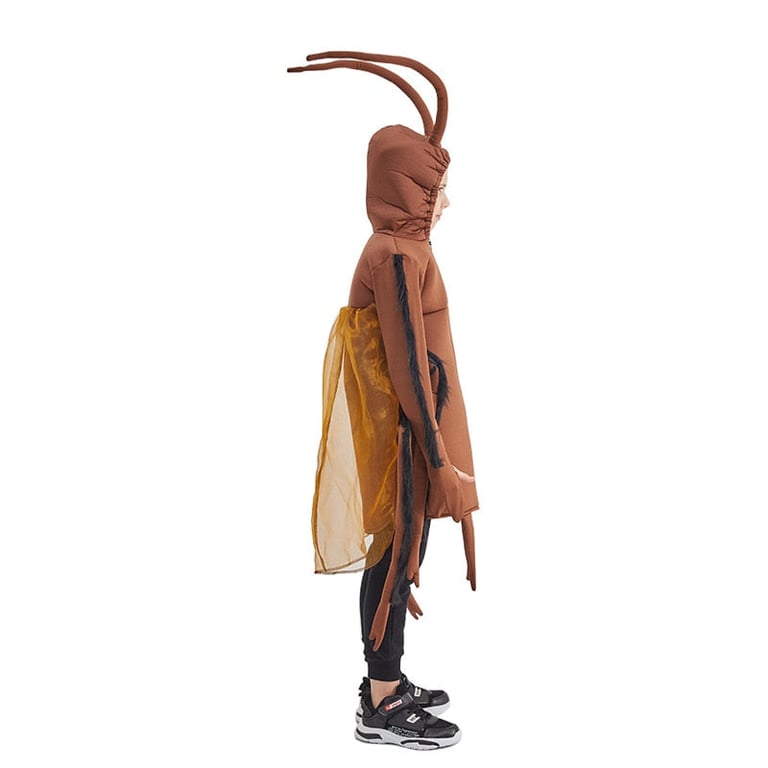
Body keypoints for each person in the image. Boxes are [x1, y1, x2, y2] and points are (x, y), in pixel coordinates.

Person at [288, 51, 480, 751]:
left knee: (402, 549)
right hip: (405, 435)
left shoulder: (405, 247)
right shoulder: (396, 254)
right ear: (410, 188)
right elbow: (404, 364)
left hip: (412, 430)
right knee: (396, 555)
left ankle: (387, 682)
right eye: (436, 188)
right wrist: (438, 460)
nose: (445, 201)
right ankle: (382, 700)